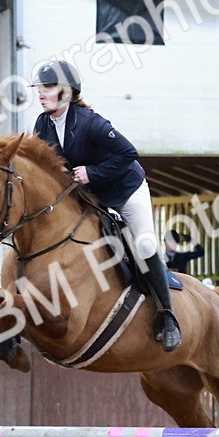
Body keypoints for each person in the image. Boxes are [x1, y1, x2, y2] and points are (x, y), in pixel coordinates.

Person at [30, 60, 181, 352]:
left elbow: (129, 153)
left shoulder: (90, 122)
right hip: (91, 195)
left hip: (125, 191)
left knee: (146, 246)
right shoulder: (42, 124)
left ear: (66, 92)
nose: (41, 93)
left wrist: (92, 173)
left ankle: (168, 316)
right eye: (40, 88)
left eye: (47, 88)